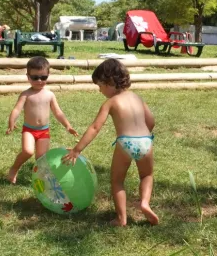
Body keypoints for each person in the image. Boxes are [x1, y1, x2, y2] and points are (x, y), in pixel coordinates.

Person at [63, 58, 158, 227]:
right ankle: (144, 203)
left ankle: (121, 218)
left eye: (100, 86)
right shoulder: (137, 98)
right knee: (146, 175)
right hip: (145, 141)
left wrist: (77, 150)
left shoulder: (110, 102)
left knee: (117, 181)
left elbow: (95, 127)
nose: (100, 91)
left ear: (109, 82)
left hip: (125, 143)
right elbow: (151, 121)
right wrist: (142, 137)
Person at [6, 56, 78, 184]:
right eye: (35, 77)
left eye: (43, 77)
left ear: (48, 75)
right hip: (29, 129)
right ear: (28, 77)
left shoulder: (49, 95)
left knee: (41, 157)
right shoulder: (26, 94)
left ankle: (40, 179)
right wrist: (11, 122)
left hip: (44, 131)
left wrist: (68, 126)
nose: (39, 81)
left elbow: (57, 112)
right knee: (27, 151)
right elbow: (16, 109)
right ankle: (14, 168)